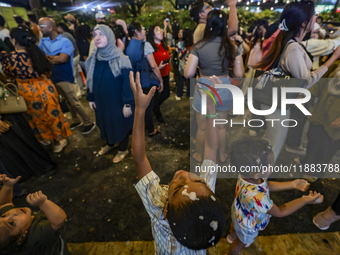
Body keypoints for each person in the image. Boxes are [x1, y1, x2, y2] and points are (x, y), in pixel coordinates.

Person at [130, 71, 226, 254]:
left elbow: (139, 157)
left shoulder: (157, 204)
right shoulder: (203, 196)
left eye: (176, 187)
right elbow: (212, 148)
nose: (185, 175)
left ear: (166, 210)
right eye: (196, 180)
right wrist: (211, 108)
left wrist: (140, 110)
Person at [256, 1, 340, 162]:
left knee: (270, 141)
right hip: (276, 104)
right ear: (303, 22)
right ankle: (257, 181)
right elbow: (306, 81)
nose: (316, 17)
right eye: (313, 14)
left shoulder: (292, 43)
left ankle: (255, 176)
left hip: (276, 100)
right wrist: (332, 60)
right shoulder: (293, 47)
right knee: (274, 145)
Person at [227, 136, 323, 255]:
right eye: (271, 164)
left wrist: (292, 184)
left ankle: (231, 235)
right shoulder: (259, 198)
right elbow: (280, 211)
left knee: (235, 225)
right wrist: (304, 200)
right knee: (239, 244)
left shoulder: (245, 175)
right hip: (248, 225)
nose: (274, 165)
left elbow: (265, 186)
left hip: (239, 211)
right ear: (256, 174)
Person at [184, 10, 244, 164]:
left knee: (202, 127)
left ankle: (199, 154)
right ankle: (222, 155)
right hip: (224, 86)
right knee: (221, 127)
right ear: (224, 26)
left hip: (204, 87)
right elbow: (239, 73)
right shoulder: (231, 47)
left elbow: (188, 73)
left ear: (208, 25)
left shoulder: (198, 46)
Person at [0, 27, 72, 153]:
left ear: (14, 41)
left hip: (27, 91)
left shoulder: (9, 59)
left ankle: (46, 139)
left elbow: (8, 76)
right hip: (46, 87)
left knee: (36, 117)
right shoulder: (38, 53)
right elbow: (48, 70)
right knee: (53, 114)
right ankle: (59, 140)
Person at [38, 17, 96, 135]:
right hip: (53, 76)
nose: (39, 29)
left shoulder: (65, 41)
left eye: (42, 26)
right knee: (67, 101)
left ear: (50, 27)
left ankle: (88, 122)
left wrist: (48, 58)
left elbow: (63, 59)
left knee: (74, 101)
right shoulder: (43, 41)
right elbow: (40, 57)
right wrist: (55, 57)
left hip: (65, 76)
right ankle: (76, 120)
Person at [85, 25, 134, 162]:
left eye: (101, 34)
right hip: (102, 101)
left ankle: (123, 149)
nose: (97, 38)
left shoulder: (121, 58)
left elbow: (128, 83)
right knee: (105, 122)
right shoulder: (95, 57)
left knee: (120, 124)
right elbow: (92, 79)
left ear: (110, 37)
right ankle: (110, 144)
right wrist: (91, 97)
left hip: (117, 102)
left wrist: (127, 103)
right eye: (95, 35)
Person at [0, 174, 68, 254]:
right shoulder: (36, 235)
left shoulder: (5, 226)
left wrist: (7, 186)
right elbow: (59, 220)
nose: (12, 213)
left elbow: (4, 204)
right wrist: (43, 203)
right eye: (12, 223)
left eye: (3, 216)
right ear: (21, 238)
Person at [125, 22, 163, 137]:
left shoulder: (129, 45)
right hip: (146, 81)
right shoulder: (145, 45)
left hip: (134, 80)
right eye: (142, 29)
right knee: (147, 106)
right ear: (136, 31)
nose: (144, 31)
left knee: (138, 105)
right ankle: (151, 130)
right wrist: (160, 80)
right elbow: (153, 66)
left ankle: (139, 127)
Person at [147, 25, 171, 123]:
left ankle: (153, 107)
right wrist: (159, 67)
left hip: (166, 74)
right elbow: (150, 66)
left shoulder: (163, 45)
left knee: (166, 94)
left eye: (161, 30)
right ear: (152, 34)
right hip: (156, 77)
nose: (161, 31)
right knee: (157, 97)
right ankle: (157, 113)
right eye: (158, 30)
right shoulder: (150, 48)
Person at [57, 22, 84, 98]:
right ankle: (80, 91)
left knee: (73, 75)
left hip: (72, 57)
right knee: (77, 75)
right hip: (76, 55)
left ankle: (77, 93)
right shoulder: (69, 34)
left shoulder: (64, 36)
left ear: (60, 27)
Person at [176, 28, 193, 100]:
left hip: (182, 64)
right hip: (191, 63)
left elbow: (178, 53)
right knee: (191, 79)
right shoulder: (193, 44)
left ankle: (179, 95)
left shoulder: (180, 44)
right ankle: (190, 94)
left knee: (180, 79)